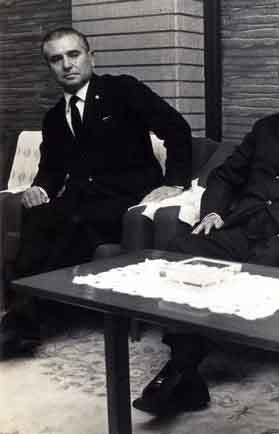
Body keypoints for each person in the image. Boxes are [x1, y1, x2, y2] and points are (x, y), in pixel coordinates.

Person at [132, 49, 279, 415]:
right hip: (242, 223)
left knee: (260, 267)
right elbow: (225, 176)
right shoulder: (265, 129)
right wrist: (213, 211)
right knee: (183, 250)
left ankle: (181, 372)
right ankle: (183, 365)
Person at [0, 27, 193, 358]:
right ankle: (24, 319)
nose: (67, 65)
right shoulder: (54, 117)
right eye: (56, 59)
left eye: (73, 55)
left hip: (126, 200)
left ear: (92, 57)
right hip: (80, 201)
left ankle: (23, 323)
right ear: (50, 67)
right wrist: (40, 188)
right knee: (37, 216)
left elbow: (177, 129)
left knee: (74, 222)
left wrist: (174, 182)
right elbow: (51, 169)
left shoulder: (122, 90)